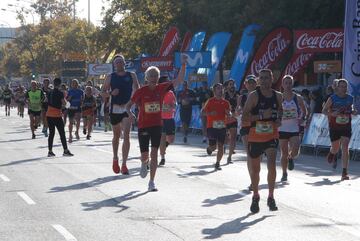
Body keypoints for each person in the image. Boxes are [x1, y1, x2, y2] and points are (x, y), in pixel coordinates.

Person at [125, 60, 186, 191]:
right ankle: (143, 162)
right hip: (143, 125)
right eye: (151, 75)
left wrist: (184, 64)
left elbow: (179, 79)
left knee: (154, 153)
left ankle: (151, 182)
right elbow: (128, 106)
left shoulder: (162, 88)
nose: (153, 77)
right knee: (145, 155)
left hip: (157, 125)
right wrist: (130, 114)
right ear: (147, 77)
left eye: (155, 75)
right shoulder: (141, 91)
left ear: (158, 77)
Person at [242, 69, 282, 213]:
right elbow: (245, 117)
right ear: (259, 80)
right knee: (256, 169)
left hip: (271, 135)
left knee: (272, 164)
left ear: (272, 79)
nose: (265, 81)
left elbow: (281, 110)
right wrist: (260, 115)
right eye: (262, 78)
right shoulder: (253, 96)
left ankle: (271, 197)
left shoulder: (278, 96)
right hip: (255, 136)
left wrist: (278, 120)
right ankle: (256, 195)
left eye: (267, 78)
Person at [102, 54, 140, 175]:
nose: (118, 64)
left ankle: (124, 164)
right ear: (114, 65)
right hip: (115, 109)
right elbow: (103, 93)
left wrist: (135, 105)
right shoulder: (110, 77)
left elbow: (138, 91)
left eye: (120, 62)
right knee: (116, 136)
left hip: (126, 109)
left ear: (124, 63)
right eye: (116, 62)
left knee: (127, 135)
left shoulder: (131, 75)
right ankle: (115, 158)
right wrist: (111, 93)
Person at [322, 79, 355, 180]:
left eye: (345, 86)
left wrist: (353, 111)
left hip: (346, 125)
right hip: (334, 126)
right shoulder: (332, 98)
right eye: (341, 86)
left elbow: (351, 108)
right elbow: (323, 111)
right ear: (337, 87)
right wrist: (332, 114)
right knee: (336, 148)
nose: (343, 88)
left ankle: (344, 172)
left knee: (345, 146)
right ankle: (332, 152)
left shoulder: (350, 98)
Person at [279, 75, 307, 182]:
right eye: (286, 83)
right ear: (283, 85)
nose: (288, 85)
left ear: (292, 84)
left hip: (294, 128)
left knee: (295, 148)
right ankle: (284, 173)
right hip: (282, 128)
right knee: (283, 152)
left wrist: (302, 118)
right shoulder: (279, 97)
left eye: (290, 83)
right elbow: (275, 111)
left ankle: (291, 158)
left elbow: (305, 111)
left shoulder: (298, 98)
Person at [202, 83, 231, 170]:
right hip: (211, 127)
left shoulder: (226, 102)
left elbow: (229, 112)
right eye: (218, 88)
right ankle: (210, 149)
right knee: (214, 147)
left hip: (222, 126)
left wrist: (229, 113)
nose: (220, 90)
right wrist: (210, 113)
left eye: (221, 88)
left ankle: (217, 163)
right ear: (214, 91)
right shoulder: (210, 101)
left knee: (221, 145)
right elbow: (202, 112)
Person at [238, 74, 257, 190]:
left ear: (256, 84)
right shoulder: (242, 97)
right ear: (246, 84)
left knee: (257, 156)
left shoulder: (260, 95)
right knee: (250, 154)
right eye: (249, 83)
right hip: (245, 126)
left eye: (253, 82)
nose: (251, 84)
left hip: (258, 127)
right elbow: (237, 110)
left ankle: (255, 177)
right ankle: (252, 181)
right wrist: (238, 111)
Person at [46, 77, 73, 157]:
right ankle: (65, 150)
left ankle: (50, 151)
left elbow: (48, 101)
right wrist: (69, 104)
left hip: (49, 114)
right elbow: (64, 103)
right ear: (60, 84)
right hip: (56, 115)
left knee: (51, 133)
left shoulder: (50, 92)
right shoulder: (60, 93)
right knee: (62, 133)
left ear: (54, 83)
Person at [159, 76, 177, 166]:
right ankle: (162, 157)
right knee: (162, 138)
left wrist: (172, 106)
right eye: (166, 82)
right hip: (161, 119)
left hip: (170, 118)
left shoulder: (171, 93)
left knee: (171, 139)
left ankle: (163, 146)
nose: (168, 84)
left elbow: (175, 104)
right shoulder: (158, 92)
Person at [224, 79, 239, 164]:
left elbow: (239, 106)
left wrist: (238, 110)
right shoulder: (224, 95)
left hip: (233, 118)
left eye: (233, 84)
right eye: (230, 84)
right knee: (225, 137)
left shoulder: (237, 95)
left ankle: (229, 157)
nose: (232, 86)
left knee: (233, 137)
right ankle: (224, 146)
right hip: (224, 118)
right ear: (227, 86)